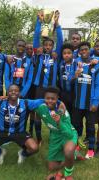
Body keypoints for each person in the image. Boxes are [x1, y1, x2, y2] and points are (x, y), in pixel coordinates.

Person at [0, 84, 43, 165]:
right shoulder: (0, 102)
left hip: (20, 133)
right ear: (7, 92)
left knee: (34, 148)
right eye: (11, 91)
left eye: (16, 91)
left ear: (19, 93)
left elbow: (43, 100)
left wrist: (59, 102)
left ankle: (22, 154)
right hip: (2, 132)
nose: (13, 92)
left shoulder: (26, 103)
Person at [29, 10, 62, 144]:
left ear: (53, 47)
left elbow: (60, 40)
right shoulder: (38, 54)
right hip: (40, 88)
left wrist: (57, 24)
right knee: (38, 113)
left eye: (50, 45)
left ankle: (55, 136)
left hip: (52, 89)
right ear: (42, 46)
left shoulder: (56, 56)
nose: (47, 47)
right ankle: (39, 138)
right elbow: (36, 37)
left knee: (53, 114)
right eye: (46, 45)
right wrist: (39, 21)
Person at [34, 87, 77, 180]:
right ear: (44, 98)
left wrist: (58, 122)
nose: (50, 101)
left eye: (53, 99)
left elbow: (68, 133)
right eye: (47, 98)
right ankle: (74, 156)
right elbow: (28, 106)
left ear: (57, 99)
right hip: (55, 136)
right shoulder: (41, 108)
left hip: (68, 134)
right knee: (51, 167)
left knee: (68, 151)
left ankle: (68, 174)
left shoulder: (63, 112)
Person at [72, 42, 99, 159]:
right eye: (82, 50)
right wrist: (75, 75)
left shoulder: (96, 65)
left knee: (90, 127)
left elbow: (98, 86)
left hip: (90, 103)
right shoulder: (76, 63)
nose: (84, 52)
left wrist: (95, 102)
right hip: (78, 102)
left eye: (86, 50)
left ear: (90, 51)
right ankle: (78, 145)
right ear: (79, 52)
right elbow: (71, 80)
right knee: (77, 125)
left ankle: (91, 149)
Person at [58, 43, 75, 118]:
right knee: (63, 115)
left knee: (73, 116)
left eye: (69, 53)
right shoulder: (61, 64)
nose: (66, 55)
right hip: (63, 94)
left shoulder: (77, 63)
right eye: (64, 53)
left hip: (74, 94)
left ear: (73, 54)